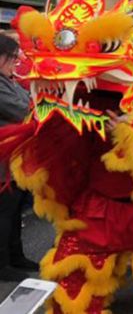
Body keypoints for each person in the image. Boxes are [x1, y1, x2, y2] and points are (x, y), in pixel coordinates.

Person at [0, 34, 37, 281]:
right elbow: (24, 109)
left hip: (15, 160)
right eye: (13, 56)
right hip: (2, 162)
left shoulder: (8, 80)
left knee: (14, 214)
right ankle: (3, 264)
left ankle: (16, 256)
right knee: (4, 214)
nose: (17, 61)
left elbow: (29, 102)